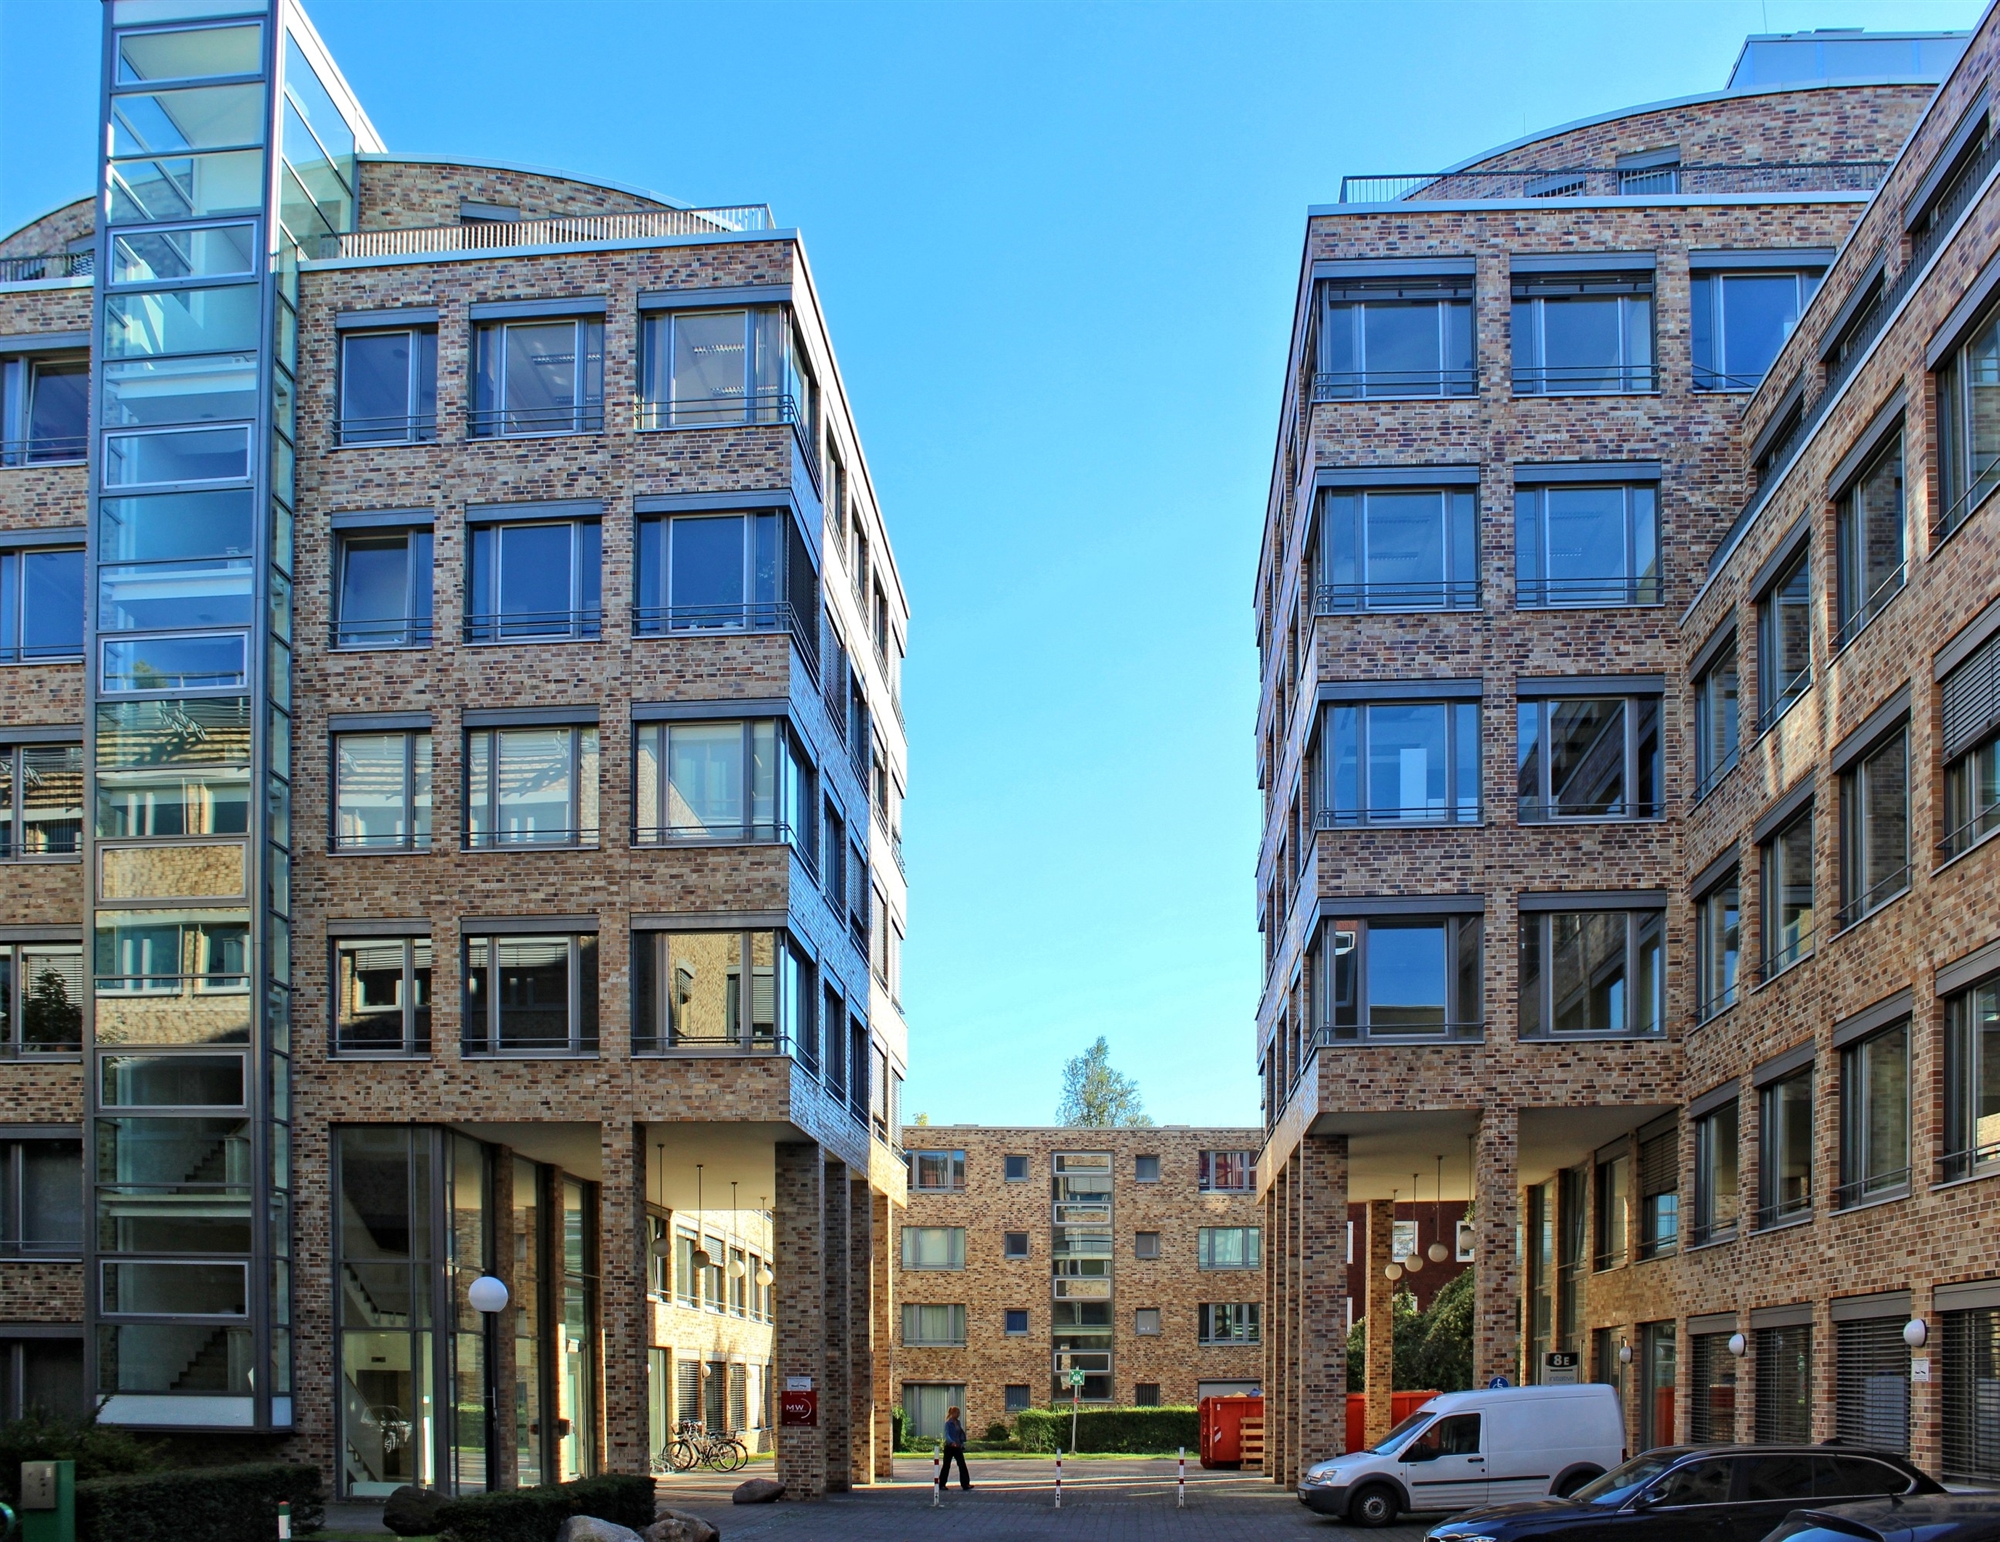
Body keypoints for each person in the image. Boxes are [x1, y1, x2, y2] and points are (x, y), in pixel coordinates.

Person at [937, 1405, 972, 1491]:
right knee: (946, 1465)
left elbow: (960, 1434)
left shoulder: (958, 1423)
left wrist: (962, 1443)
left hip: (957, 1446)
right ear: (952, 1413)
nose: (958, 1414)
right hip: (950, 1447)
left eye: (959, 1413)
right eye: (957, 1413)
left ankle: (965, 1484)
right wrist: (951, 1442)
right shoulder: (948, 1423)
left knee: (962, 1464)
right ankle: (941, 1484)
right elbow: (947, 1434)